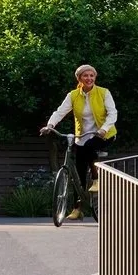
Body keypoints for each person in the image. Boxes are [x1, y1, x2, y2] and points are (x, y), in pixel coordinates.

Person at [40, 63, 118, 222]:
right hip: (82, 136)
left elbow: (112, 113)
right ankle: (77, 209)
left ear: (95, 77)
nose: (89, 78)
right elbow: (60, 111)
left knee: (90, 147)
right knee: (78, 173)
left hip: (104, 134)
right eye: (85, 76)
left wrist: (103, 129)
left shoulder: (104, 93)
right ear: (79, 78)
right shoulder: (73, 95)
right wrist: (50, 125)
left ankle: (96, 180)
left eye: (92, 76)